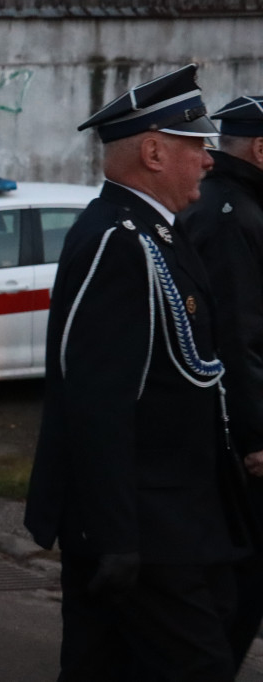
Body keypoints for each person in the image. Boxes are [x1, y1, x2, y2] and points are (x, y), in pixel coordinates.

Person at [25, 64, 255, 681]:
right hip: (145, 522)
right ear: (153, 153)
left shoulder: (159, 234)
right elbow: (96, 402)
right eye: (195, 145)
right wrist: (114, 534)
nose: (208, 159)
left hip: (178, 514)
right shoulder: (118, 241)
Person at [181, 94, 263, 670]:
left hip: (224, 427)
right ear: (260, 149)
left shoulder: (229, 204)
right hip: (239, 438)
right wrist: (256, 436)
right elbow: (239, 336)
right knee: (241, 580)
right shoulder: (236, 215)